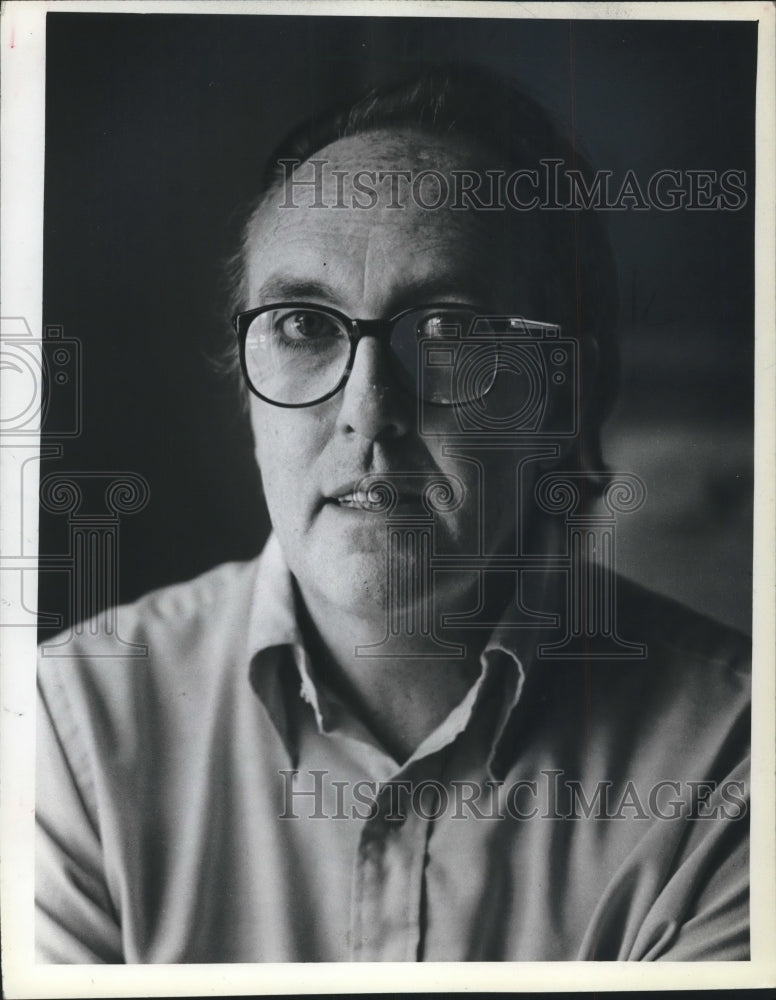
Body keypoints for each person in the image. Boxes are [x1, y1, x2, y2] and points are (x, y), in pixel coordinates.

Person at [36, 63, 750, 962]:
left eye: (448, 328)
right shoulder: (71, 728)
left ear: (563, 393)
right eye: (303, 323)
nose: (371, 408)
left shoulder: (735, 757)